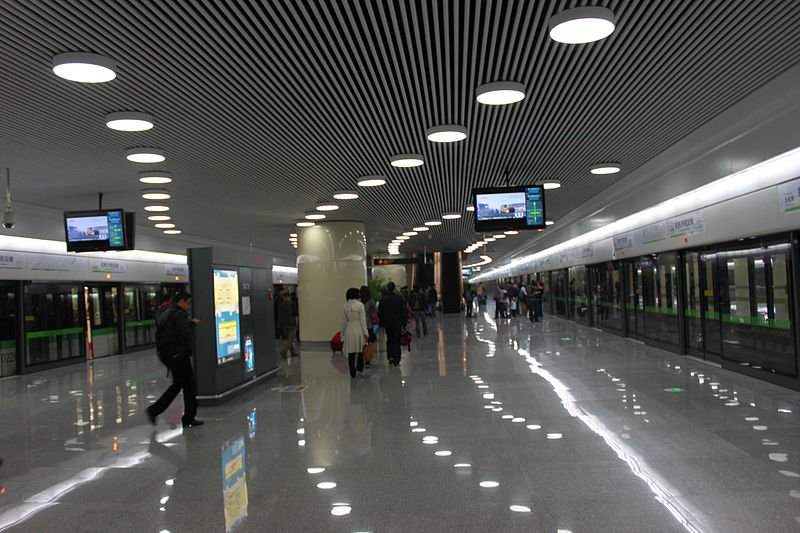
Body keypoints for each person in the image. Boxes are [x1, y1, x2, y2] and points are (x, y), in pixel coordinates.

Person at [146, 291, 204, 428]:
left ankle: (154, 410)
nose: (189, 306)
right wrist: (192, 325)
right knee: (189, 386)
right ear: (181, 301)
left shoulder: (167, 312)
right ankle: (189, 417)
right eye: (188, 303)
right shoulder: (178, 314)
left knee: (178, 385)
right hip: (179, 355)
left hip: (169, 355)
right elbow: (184, 333)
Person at [342, 287, 369, 378]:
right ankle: (359, 368)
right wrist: (366, 333)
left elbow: (343, 322)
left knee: (351, 352)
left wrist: (342, 333)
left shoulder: (345, 306)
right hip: (359, 329)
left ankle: (352, 372)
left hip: (349, 329)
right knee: (361, 350)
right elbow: (363, 320)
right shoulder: (360, 305)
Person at [379, 281, 407, 366]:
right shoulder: (399, 299)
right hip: (397, 323)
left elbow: (380, 312)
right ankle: (396, 358)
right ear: (394, 288)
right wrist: (404, 322)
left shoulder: (383, 300)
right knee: (397, 340)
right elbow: (403, 311)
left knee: (390, 340)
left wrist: (382, 322)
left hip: (388, 323)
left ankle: (390, 356)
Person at [360, 285, 378, 367]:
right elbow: (374, 311)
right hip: (370, 324)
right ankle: (368, 360)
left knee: (362, 343)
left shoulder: (359, 301)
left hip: (361, 325)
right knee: (369, 342)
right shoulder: (371, 301)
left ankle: (362, 358)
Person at [277, 291, 299, 358]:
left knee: (288, 339)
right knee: (291, 339)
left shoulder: (280, 305)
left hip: (283, 325)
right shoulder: (292, 304)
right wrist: (296, 323)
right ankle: (283, 352)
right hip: (291, 324)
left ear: (283, 297)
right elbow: (295, 315)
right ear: (289, 297)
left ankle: (292, 352)